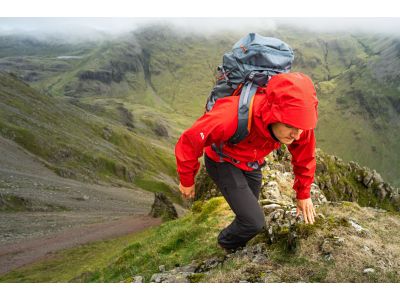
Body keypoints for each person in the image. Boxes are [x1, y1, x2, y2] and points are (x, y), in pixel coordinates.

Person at [175, 72, 318, 252]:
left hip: (252, 162)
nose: (297, 135)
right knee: (254, 222)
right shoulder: (230, 116)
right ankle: (224, 245)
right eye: (290, 127)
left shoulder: (298, 122)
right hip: (222, 161)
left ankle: (239, 239)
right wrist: (187, 180)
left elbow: (305, 157)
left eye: (301, 128)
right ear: (273, 114)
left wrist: (304, 194)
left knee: (248, 214)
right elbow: (190, 140)